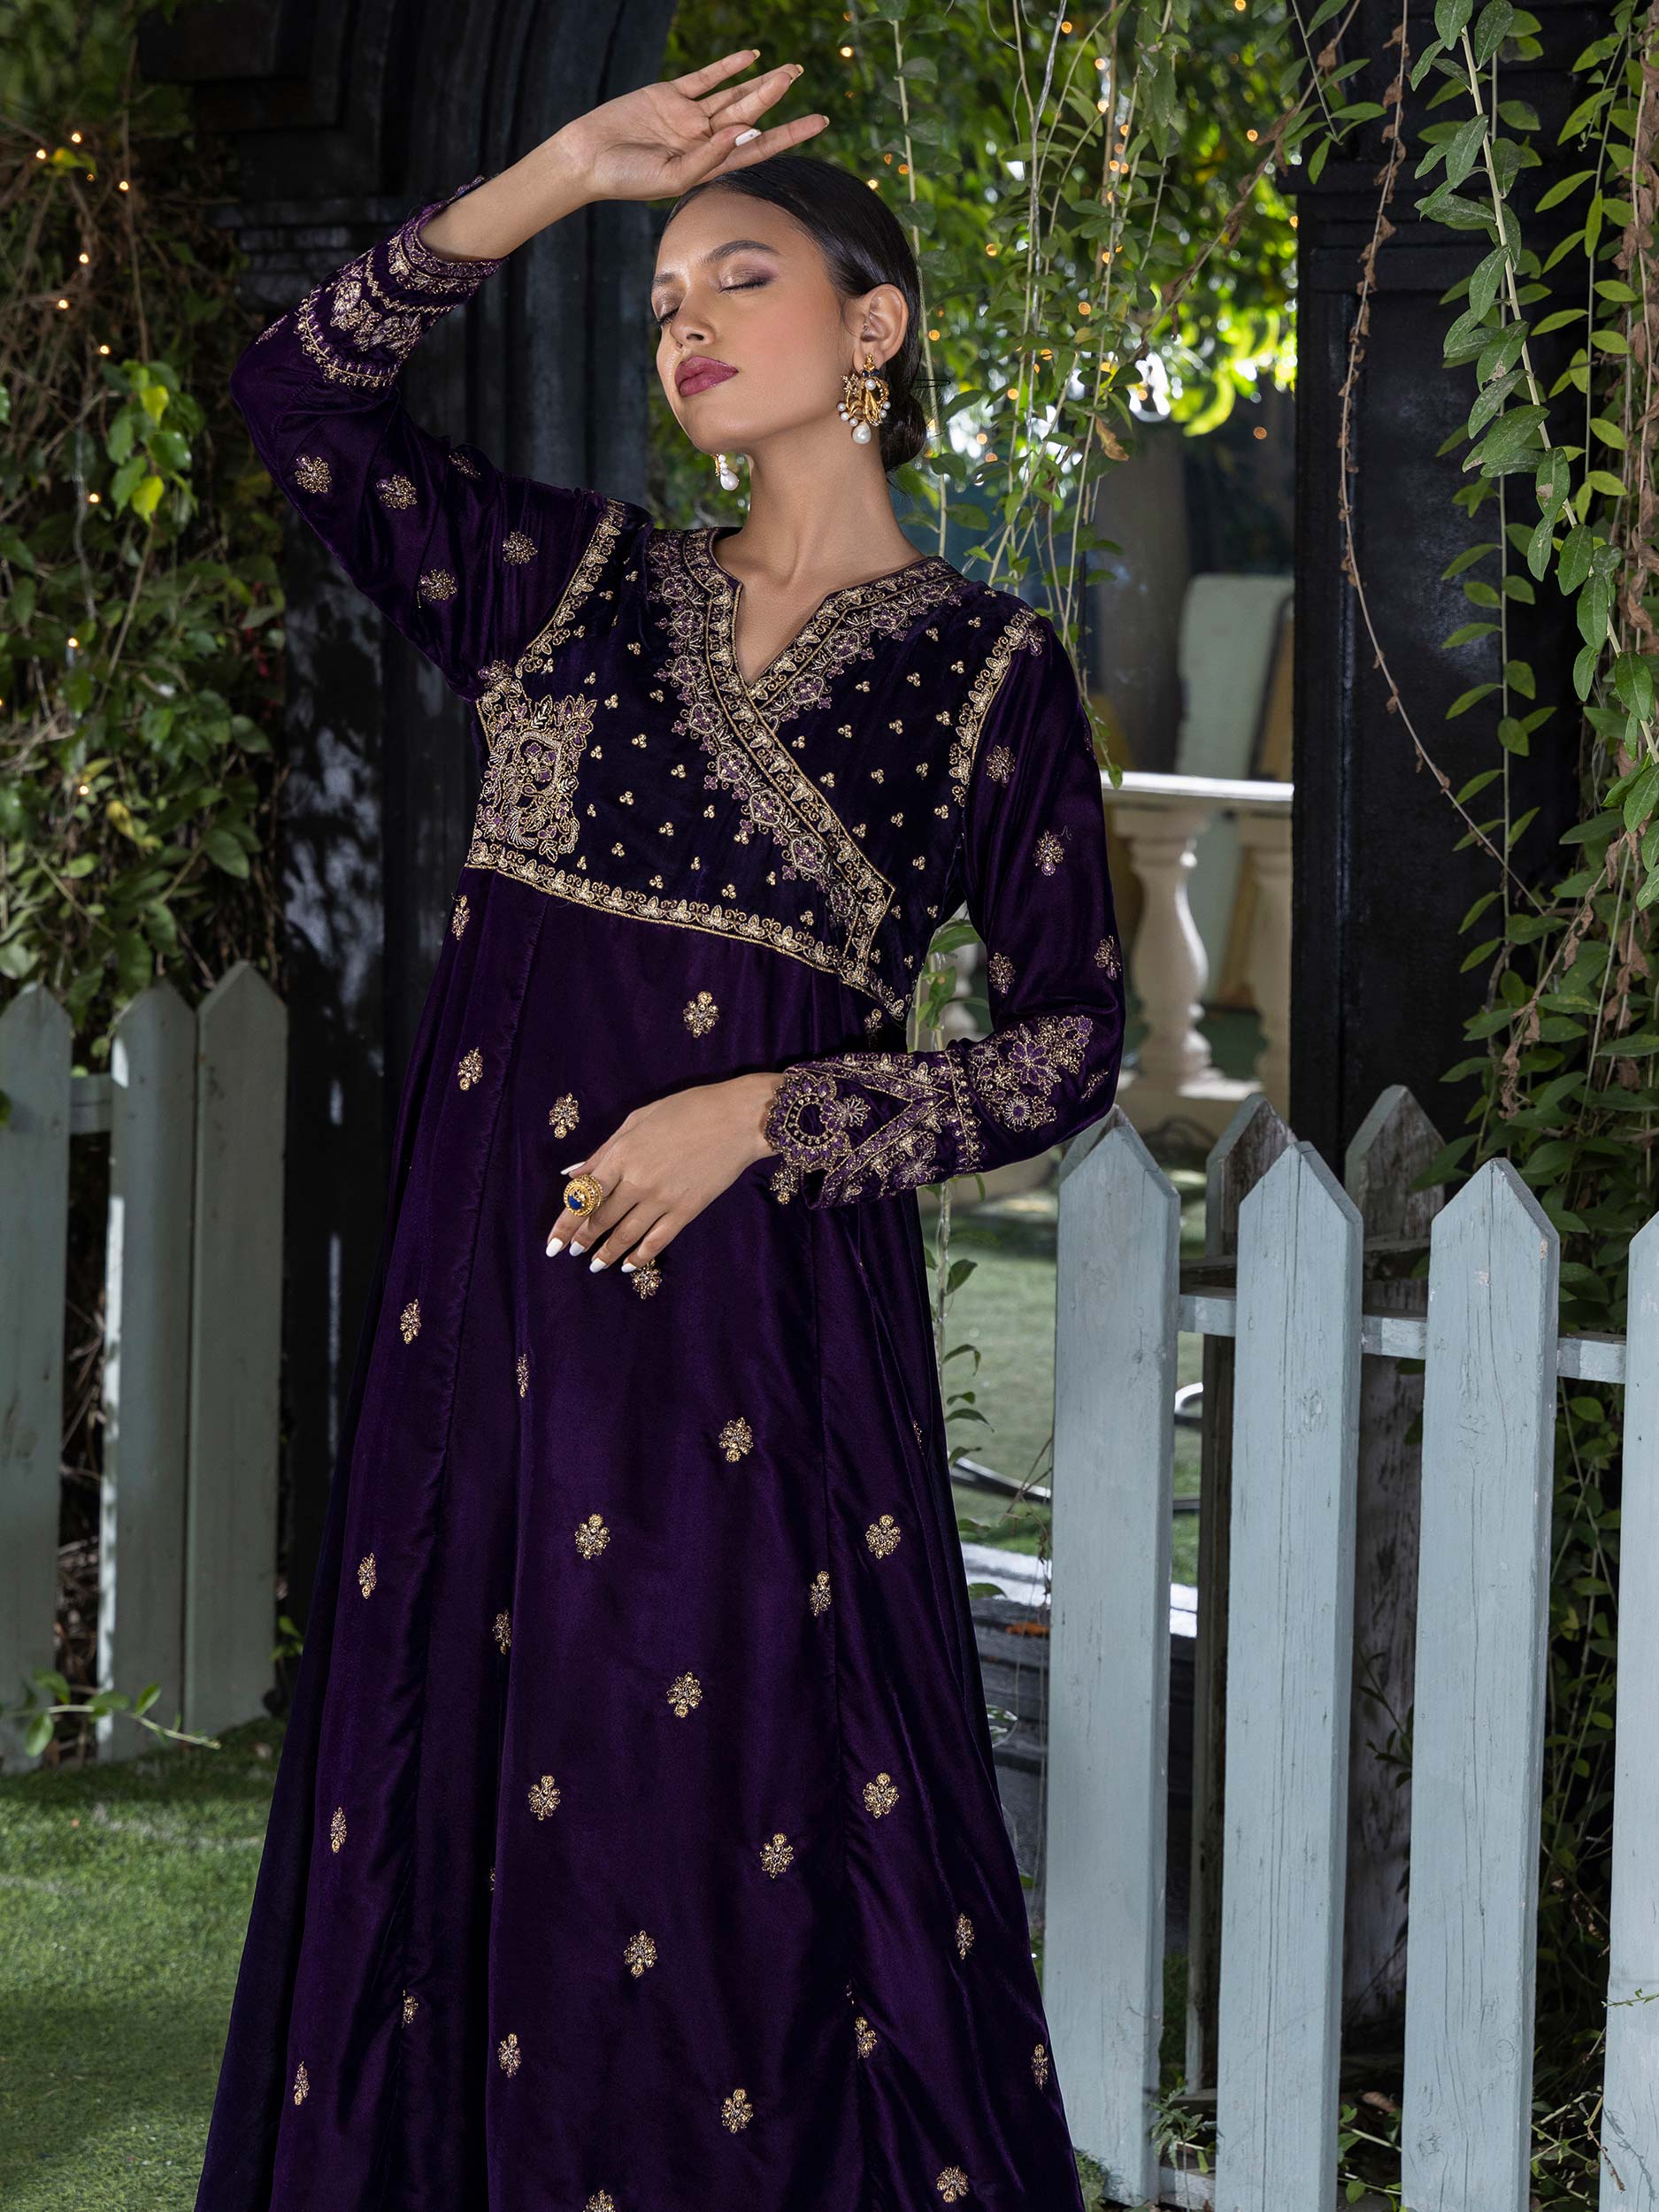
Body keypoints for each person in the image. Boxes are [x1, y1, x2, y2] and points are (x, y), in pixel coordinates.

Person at [196, 50, 1126, 2212]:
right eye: (660, 298)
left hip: (757, 1364)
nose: (684, 320)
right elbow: (297, 399)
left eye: (738, 276)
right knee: (465, 1817)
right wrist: (552, 174)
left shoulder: (986, 675)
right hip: (492, 1349)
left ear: (872, 322)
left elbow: (1071, 1042)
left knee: (739, 1848)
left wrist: (766, 1111)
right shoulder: (567, 583)